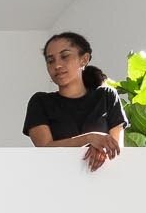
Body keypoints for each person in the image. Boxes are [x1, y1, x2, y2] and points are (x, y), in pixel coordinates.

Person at [23, 33, 124, 171]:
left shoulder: (107, 96)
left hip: (103, 181)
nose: (57, 65)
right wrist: (90, 139)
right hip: (55, 179)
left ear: (84, 59)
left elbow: (115, 148)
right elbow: (45, 148)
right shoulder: (40, 102)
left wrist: (102, 147)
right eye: (50, 60)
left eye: (65, 56)